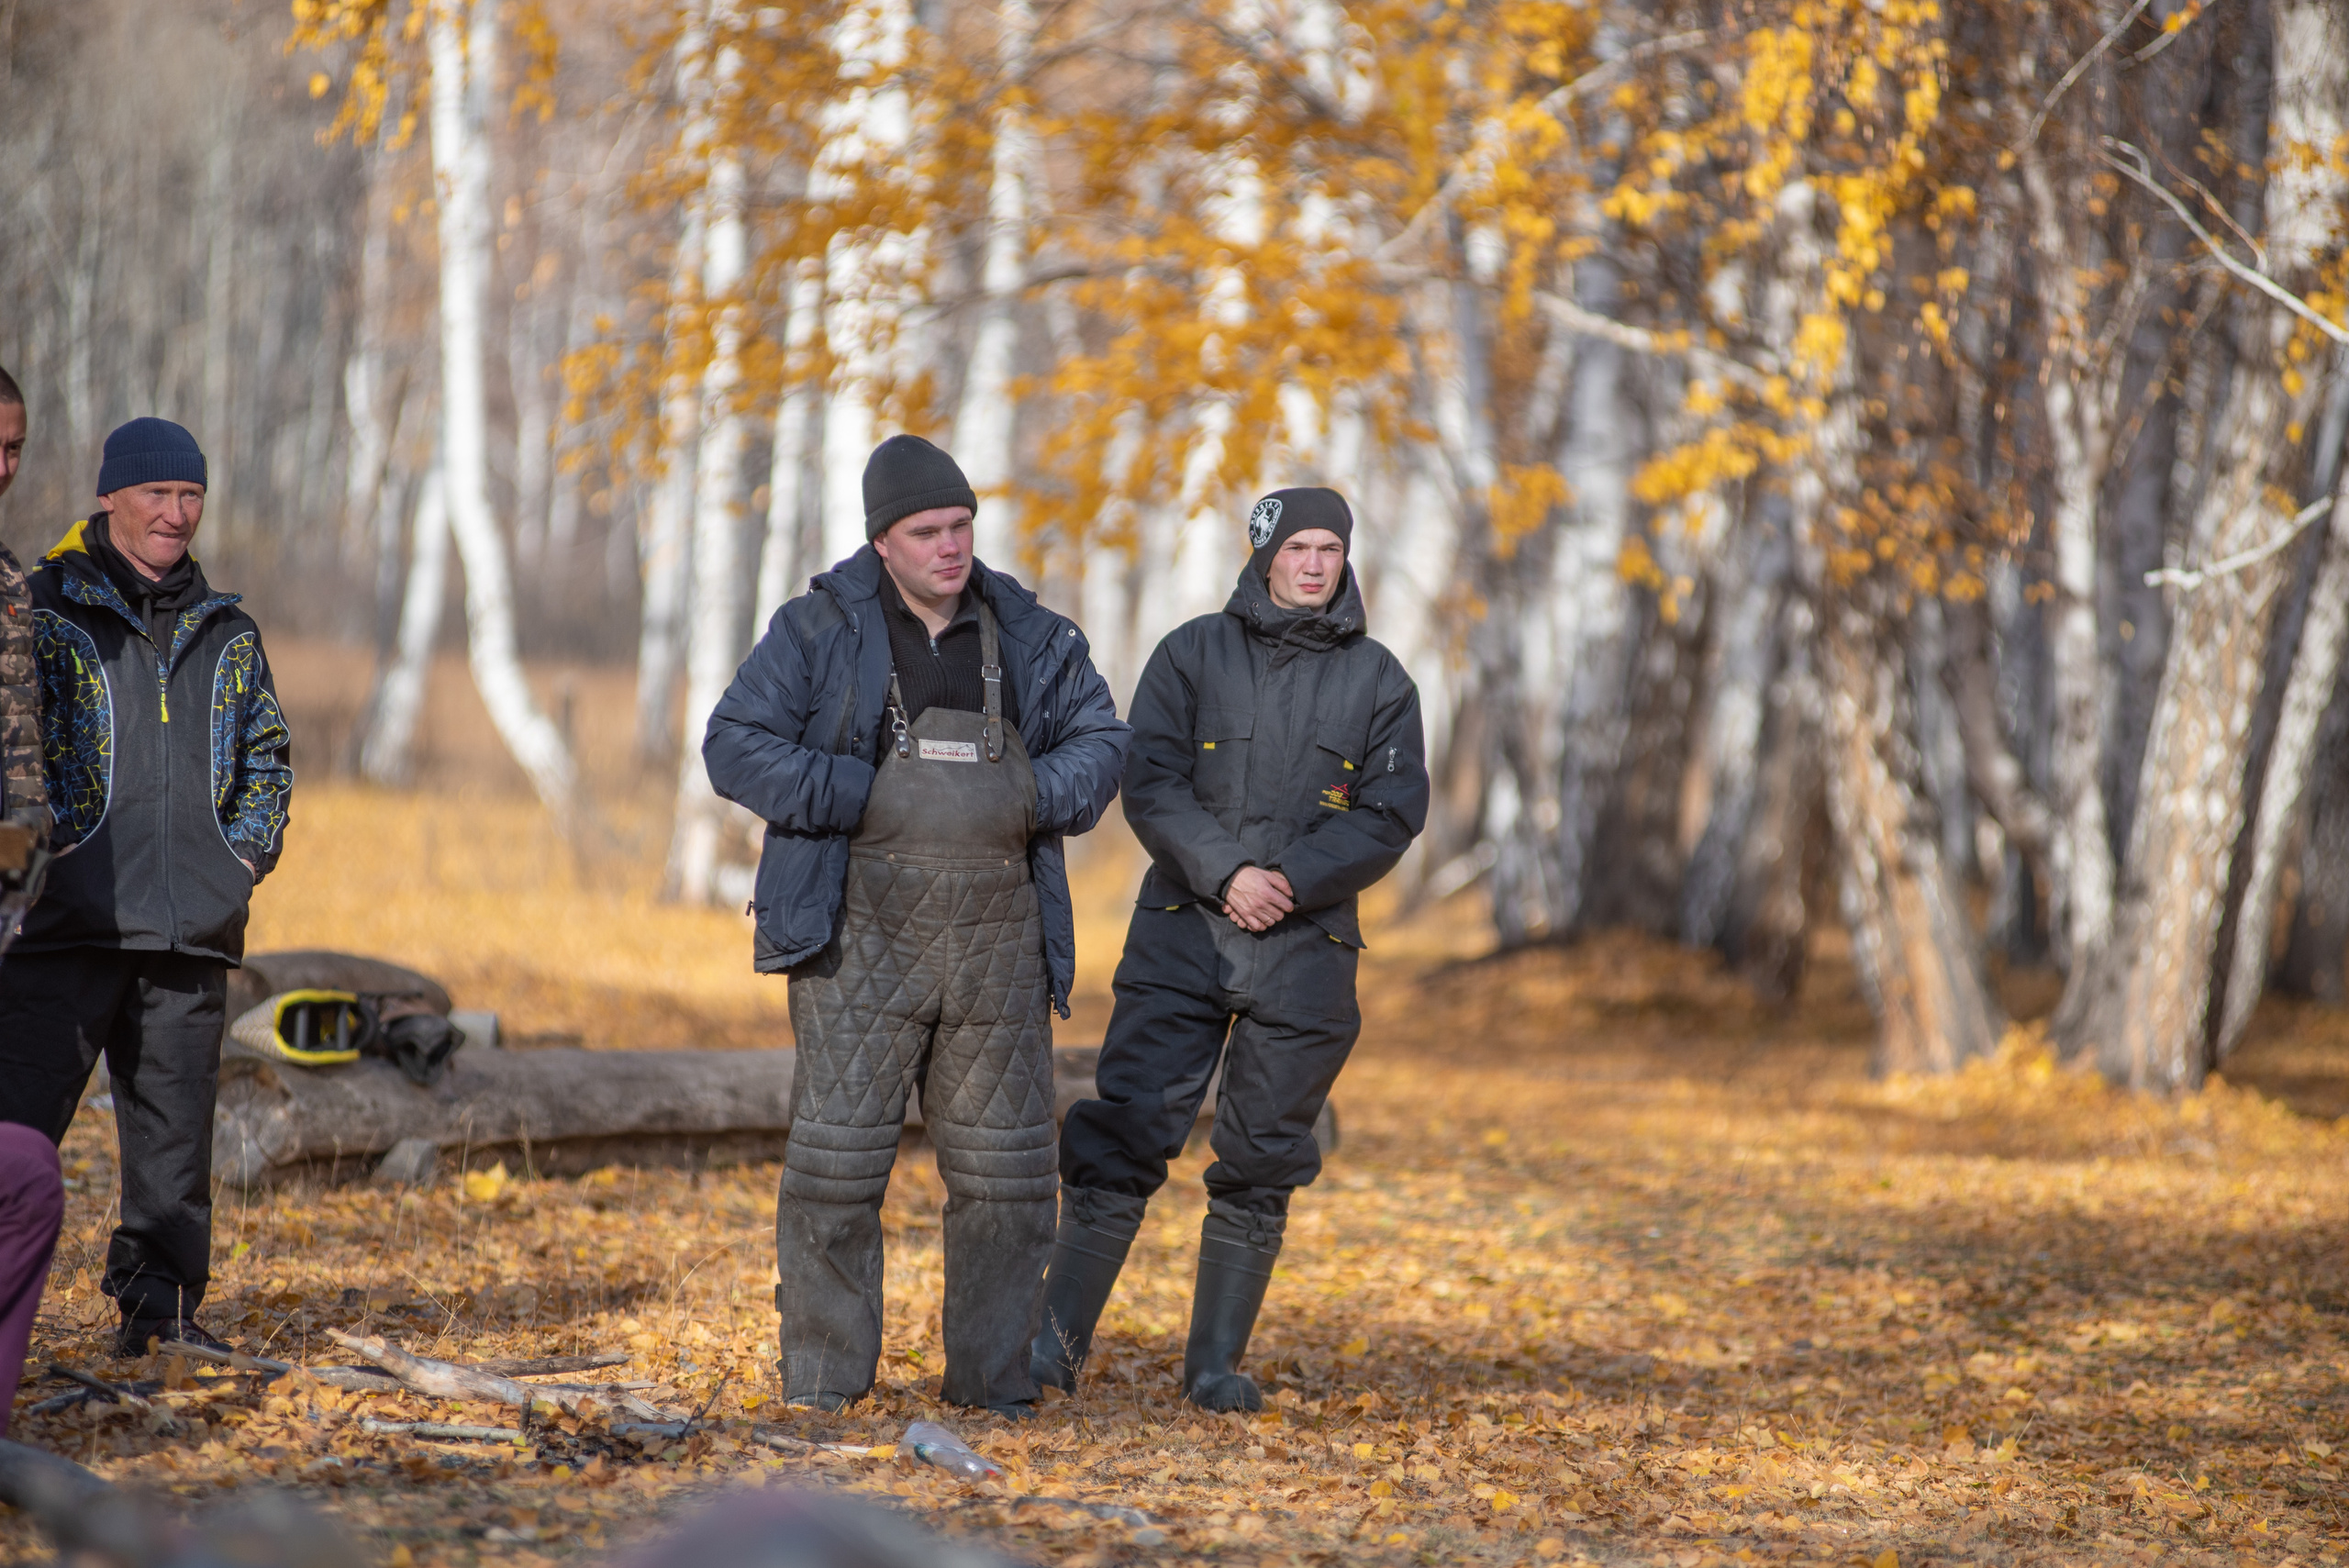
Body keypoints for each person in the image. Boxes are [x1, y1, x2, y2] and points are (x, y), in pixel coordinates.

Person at [705, 434, 1130, 1418]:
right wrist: (855, 791)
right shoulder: (817, 628)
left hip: (998, 948)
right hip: (858, 940)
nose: (951, 546)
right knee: (835, 1171)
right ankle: (824, 1384)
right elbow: (733, 743)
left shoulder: (1031, 634)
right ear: (882, 543)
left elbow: (1105, 741)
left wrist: (1030, 793)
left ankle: (993, 1386)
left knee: (1009, 1181)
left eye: (962, 525)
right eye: (928, 530)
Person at [1037, 487, 1428, 1412]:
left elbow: (1391, 813)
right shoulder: (1191, 654)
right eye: (1297, 546)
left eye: (1329, 547)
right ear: (1263, 555)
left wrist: (1285, 878)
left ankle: (1213, 1369)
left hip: (1307, 949)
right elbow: (1151, 783)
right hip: (1184, 936)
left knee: (1264, 1154)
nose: (1314, 563)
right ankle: (1050, 1347)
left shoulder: (1381, 680)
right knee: (1126, 1131)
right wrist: (1228, 873)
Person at [0, 417, 293, 1356]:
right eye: (157, 493)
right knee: (13, 1130)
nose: (176, 513)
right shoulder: (42, 609)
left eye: (191, 494)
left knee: (175, 1149)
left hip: (187, 931)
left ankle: (160, 1317)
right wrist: (29, 872)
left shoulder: (230, 630)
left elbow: (269, 759)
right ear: (110, 496)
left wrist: (237, 861)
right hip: (61, 924)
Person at [0, 366, 52, 949]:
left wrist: (30, 845)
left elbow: (19, 731)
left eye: (14, 449)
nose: (3, 468)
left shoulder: (10, 575)